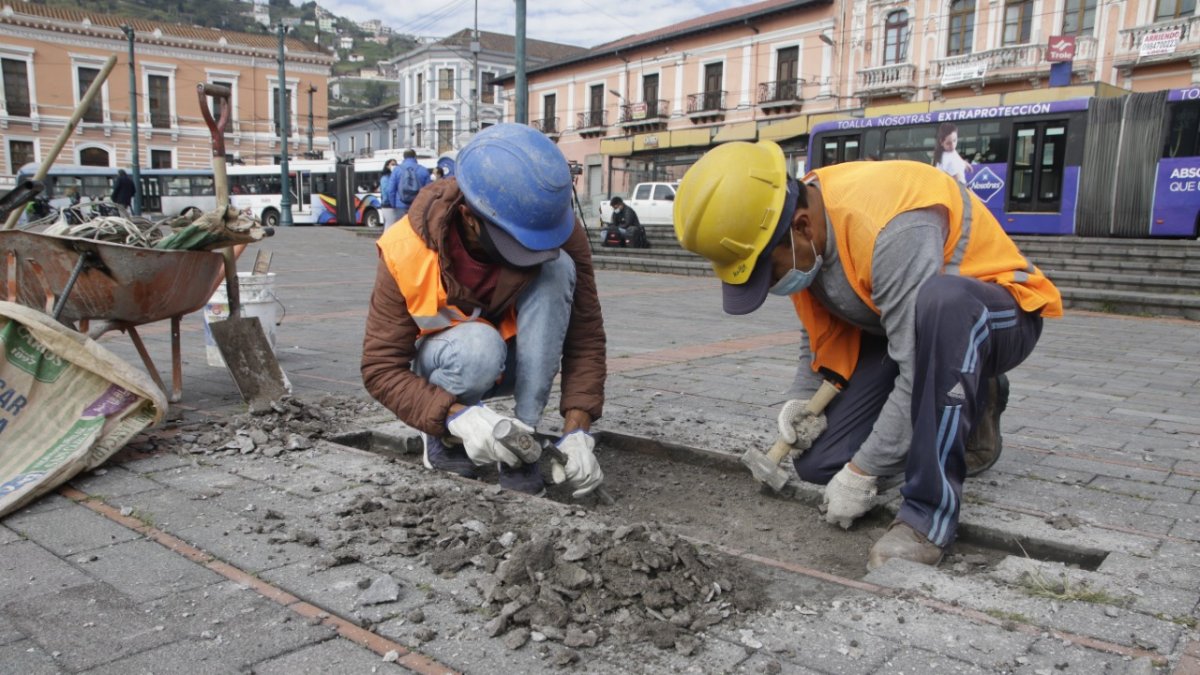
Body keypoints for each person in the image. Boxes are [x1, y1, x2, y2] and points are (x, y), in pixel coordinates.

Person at [673, 142, 1061, 571]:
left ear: (802, 226)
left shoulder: (891, 228)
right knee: (820, 463)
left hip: (994, 316)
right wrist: (801, 401)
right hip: (902, 331)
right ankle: (955, 407)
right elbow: (817, 334)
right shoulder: (799, 226)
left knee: (944, 305)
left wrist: (863, 473)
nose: (772, 285)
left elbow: (916, 366)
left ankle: (926, 517)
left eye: (771, 272)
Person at [362, 123, 607, 499]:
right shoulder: (406, 247)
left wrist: (578, 429)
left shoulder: (550, 226)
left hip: (515, 363)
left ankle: (522, 442)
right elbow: (379, 369)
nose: (527, 256)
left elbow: (584, 335)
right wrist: (453, 416)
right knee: (480, 345)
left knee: (557, 268)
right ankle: (445, 438)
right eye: (515, 248)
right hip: (449, 366)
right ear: (469, 217)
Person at [386, 149, 432, 219]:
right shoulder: (423, 170)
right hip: (417, 206)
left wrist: (394, 205)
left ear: (404, 157)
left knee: (401, 225)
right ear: (415, 157)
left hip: (400, 206)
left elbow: (391, 190)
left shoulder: (397, 170)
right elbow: (428, 191)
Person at [378, 159, 399, 227]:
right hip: (388, 205)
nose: (394, 166)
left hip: (394, 205)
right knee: (390, 225)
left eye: (396, 164)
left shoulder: (396, 176)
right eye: (392, 164)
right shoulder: (385, 178)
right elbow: (387, 192)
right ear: (387, 166)